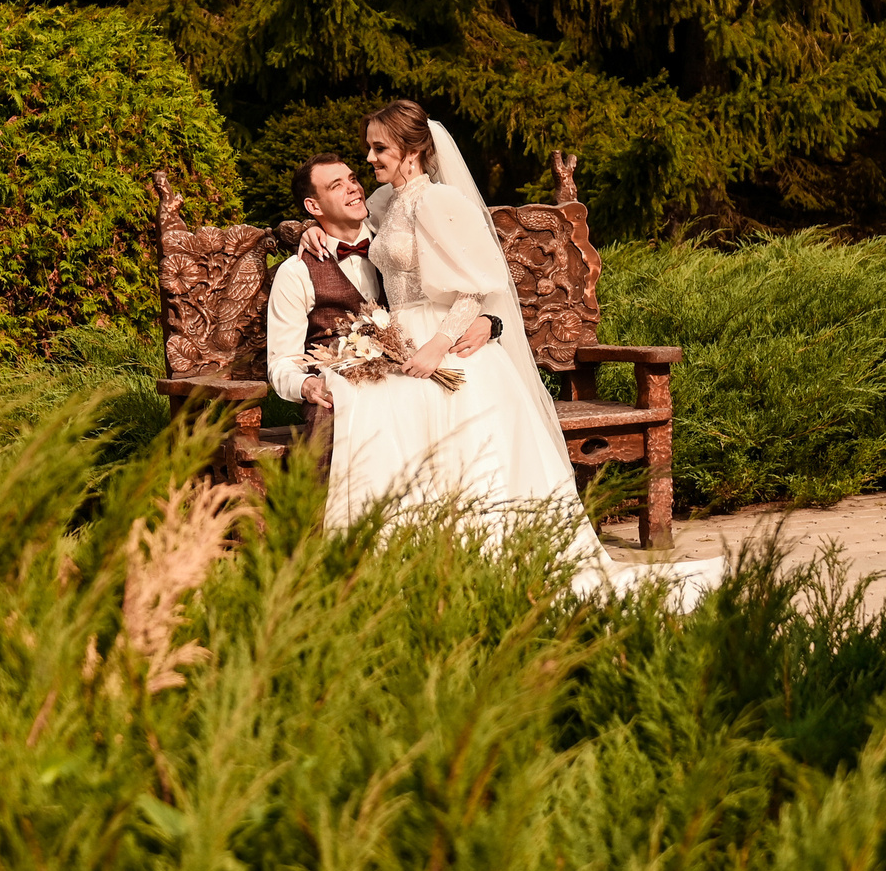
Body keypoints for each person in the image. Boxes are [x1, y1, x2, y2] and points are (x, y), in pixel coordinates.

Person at [310, 100, 723, 602]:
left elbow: (475, 286)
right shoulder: (386, 201)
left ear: (412, 150)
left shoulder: (438, 201)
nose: (370, 158)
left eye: (379, 148)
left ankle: (486, 570)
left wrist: (439, 346)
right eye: (369, 148)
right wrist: (305, 228)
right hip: (401, 341)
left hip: (446, 345)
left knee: (468, 465)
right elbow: (353, 231)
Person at [264, 154, 495, 524]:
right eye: (336, 186)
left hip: (413, 369)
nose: (353, 188)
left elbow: (462, 286)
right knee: (334, 413)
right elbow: (281, 363)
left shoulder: (399, 245)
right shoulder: (296, 273)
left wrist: (490, 321)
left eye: (353, 178)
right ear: (313, 206)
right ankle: (323, 532)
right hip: (345, 383)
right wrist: (306, 385)